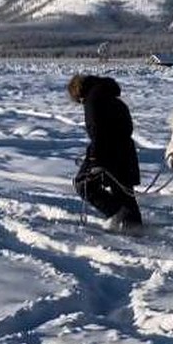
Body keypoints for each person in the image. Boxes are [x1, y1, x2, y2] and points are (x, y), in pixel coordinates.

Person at [67, 74, 143, 232]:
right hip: (125, 153)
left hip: (107, 154)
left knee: (84, 184)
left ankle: (116, 213)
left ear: (79, 93)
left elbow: (97, 131)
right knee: (124, 193)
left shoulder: (93, 100)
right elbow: (126, 128)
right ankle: (135, 229)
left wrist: (94, 159)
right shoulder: (111, 98)